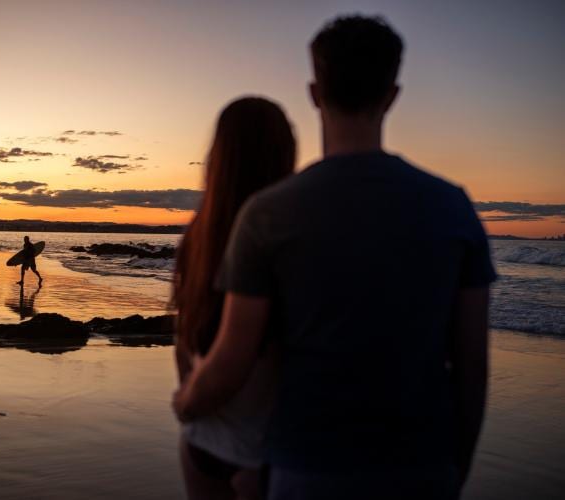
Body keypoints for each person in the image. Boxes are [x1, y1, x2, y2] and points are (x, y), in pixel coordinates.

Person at [173, 15, 496, 500]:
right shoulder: (453, 205)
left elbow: (234, 356)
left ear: (314, 92)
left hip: (306, 468)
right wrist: (456, 466)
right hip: (425, 466)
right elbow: (471, 364)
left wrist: (186, 402)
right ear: (391, 95)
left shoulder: (267, 215)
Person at [173, 97, 295, 499]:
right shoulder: (292, 237)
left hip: (205, 438)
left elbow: (184, 338)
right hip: (269, 452)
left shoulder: (198, 235)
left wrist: (188, 401)